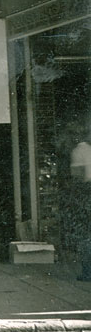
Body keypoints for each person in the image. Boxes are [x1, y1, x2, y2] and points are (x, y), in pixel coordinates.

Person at [70, 120, 91, 282]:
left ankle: (87, 271)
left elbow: (78, 175)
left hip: (86, 192)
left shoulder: (78, 151)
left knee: (85, 234)